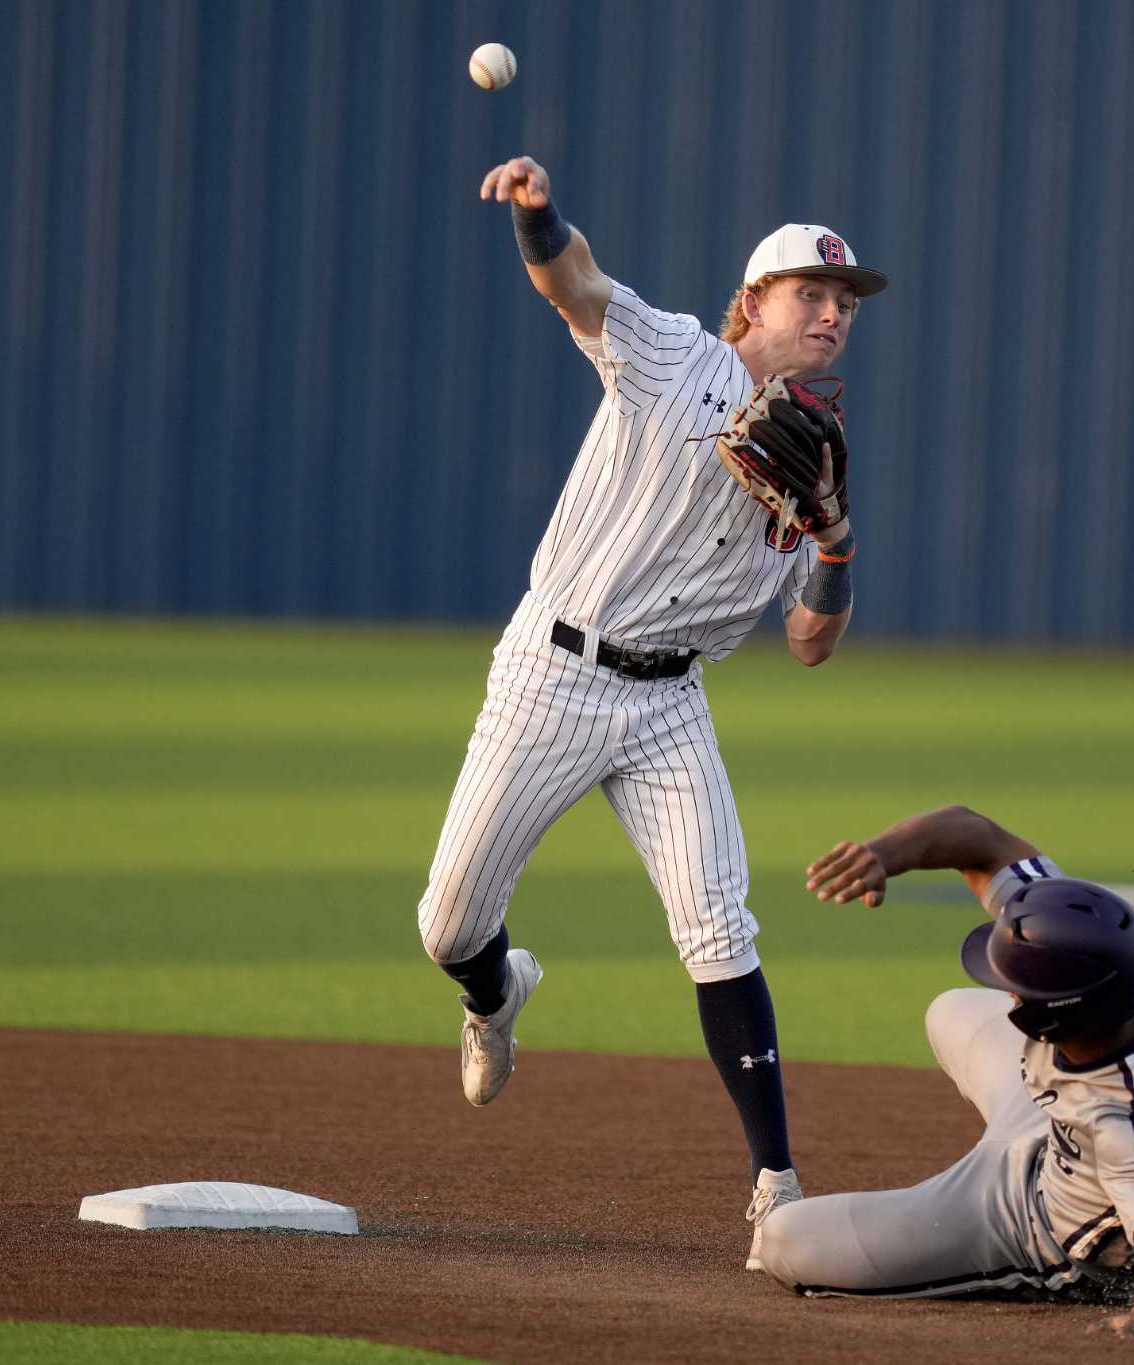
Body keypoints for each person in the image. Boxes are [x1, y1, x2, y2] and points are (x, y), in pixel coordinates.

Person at [415, 153, 887, 1267]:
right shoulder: (672, 353)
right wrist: (539, 214)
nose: (830, 312)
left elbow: (811, 647)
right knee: (447, 926)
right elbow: (570, 284)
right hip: (553, 671)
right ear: (753, 302)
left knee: (719, 929)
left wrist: (833, 542)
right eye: (809, 293)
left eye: (843, 301)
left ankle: (776, 1182)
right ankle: (495, 993)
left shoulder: (814, 459)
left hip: (670, 701)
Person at [751, 805, 1134, 1340]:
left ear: (1050, 1017)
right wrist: (883, 856)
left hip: (1032, 1224)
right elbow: (976, 836)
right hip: (1051, 1124)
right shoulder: (1114, 958)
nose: (1003, 984)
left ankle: (1072, 1260)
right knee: (950, 1009)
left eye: (1014, 985)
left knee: (783, 1239)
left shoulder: (1127, 1121)